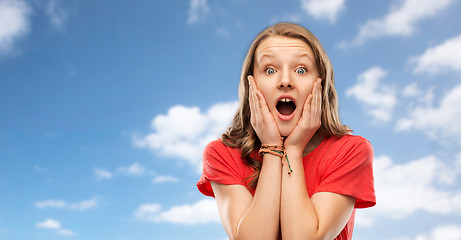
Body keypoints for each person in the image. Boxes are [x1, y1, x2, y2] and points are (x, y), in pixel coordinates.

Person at [197, 22, 375, 240]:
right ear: (251, 85)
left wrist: (292, 149)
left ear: (320, 83)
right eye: (270, 70)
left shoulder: (351, 151)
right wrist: (273, 149)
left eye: (301, 70)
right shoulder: (221, 154)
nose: (285, 81)